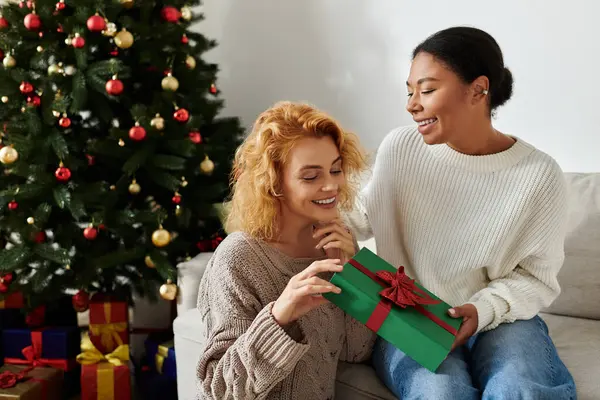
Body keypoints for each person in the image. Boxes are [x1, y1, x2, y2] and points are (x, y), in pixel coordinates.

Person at [344, 27, 577, 399]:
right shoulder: (401, 148)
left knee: (519, 389)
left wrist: (482, 310)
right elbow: (358, 214)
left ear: (478, 89)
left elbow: (536, 278)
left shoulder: (538, 175)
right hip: (410, 316)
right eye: (409, 91)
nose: (412, 104)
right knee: (439, 394)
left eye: (427, 89)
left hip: (502, 320)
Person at [195, 101, 377, 400]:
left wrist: (354, 274)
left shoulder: (338, 239)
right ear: (273, 182)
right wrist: (281, 316)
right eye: (311, 176)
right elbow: (220, 389)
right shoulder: (239, 258)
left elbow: (356, 352)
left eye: (335, 170)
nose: (331, 185)